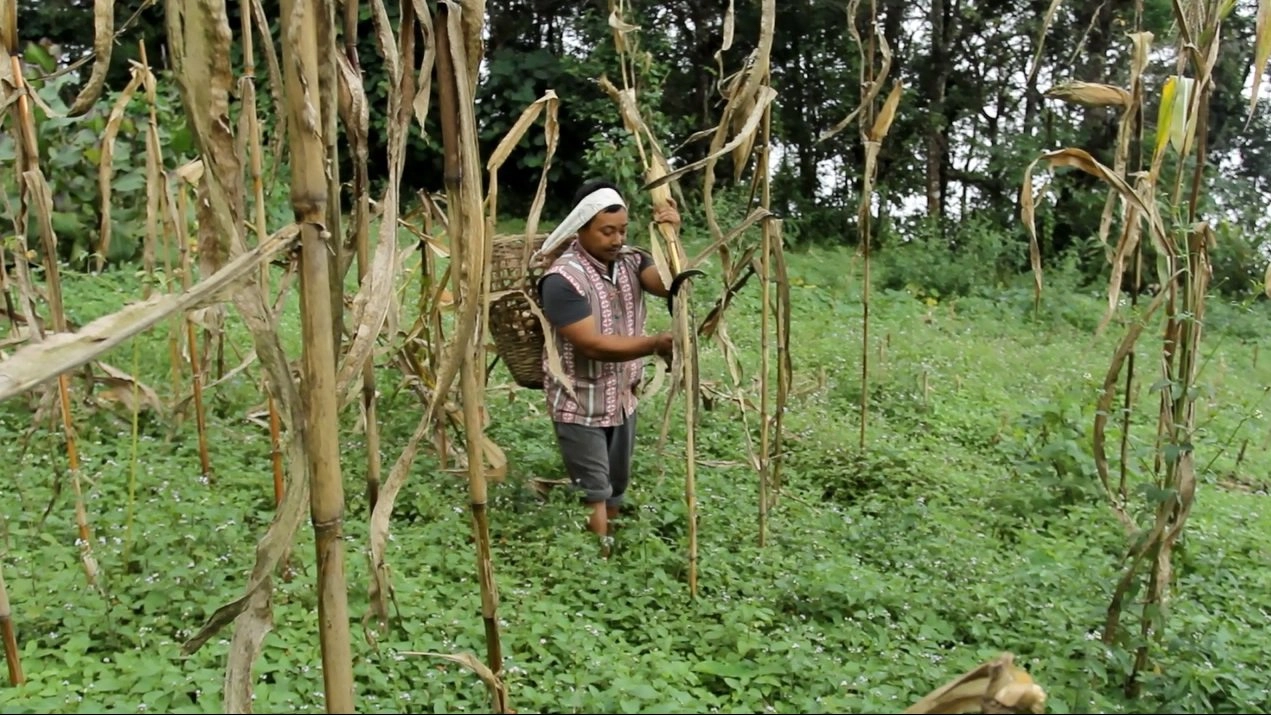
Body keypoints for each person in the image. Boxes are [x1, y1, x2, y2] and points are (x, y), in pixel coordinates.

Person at [534, 179, 680, 554]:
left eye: (622, 230)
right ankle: (597, 566)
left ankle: (609, 553)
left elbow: (671, 284)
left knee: (615, 488)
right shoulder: (562, 280)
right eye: (607, 231)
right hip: (580, 403)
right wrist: (654, 344)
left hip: (622, 400)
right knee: (594, 492)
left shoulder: (632, 261)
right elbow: (591, 344)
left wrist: (671, 237)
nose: (617, 240)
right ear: (580, 228)